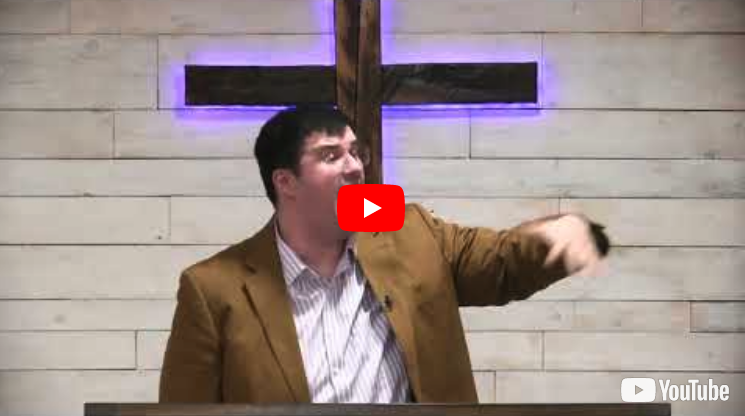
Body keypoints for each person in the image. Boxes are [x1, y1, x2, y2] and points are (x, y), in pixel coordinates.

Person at [159, 106, 606, 404]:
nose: (355, 167)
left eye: (356, 152)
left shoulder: (409, 232)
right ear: (286, 182)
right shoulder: (213, 288)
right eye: (331, 155)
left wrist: (558, 238)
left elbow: (501, 262)